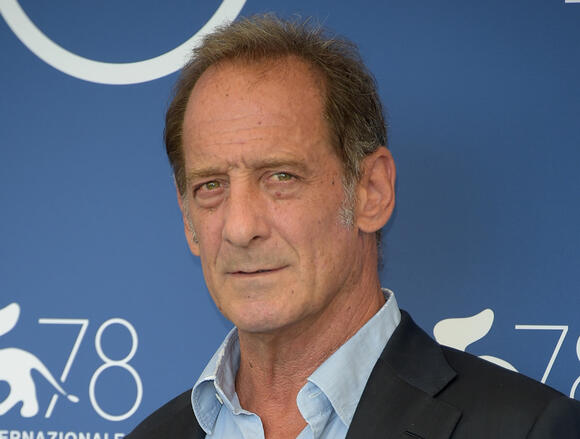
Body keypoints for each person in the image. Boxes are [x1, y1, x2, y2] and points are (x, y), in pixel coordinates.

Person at [127, 14, 580, 439]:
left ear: (371, 192)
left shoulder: (527, 429)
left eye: (281, 177)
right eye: (210, 186)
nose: (240, 227)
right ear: (187, 218)